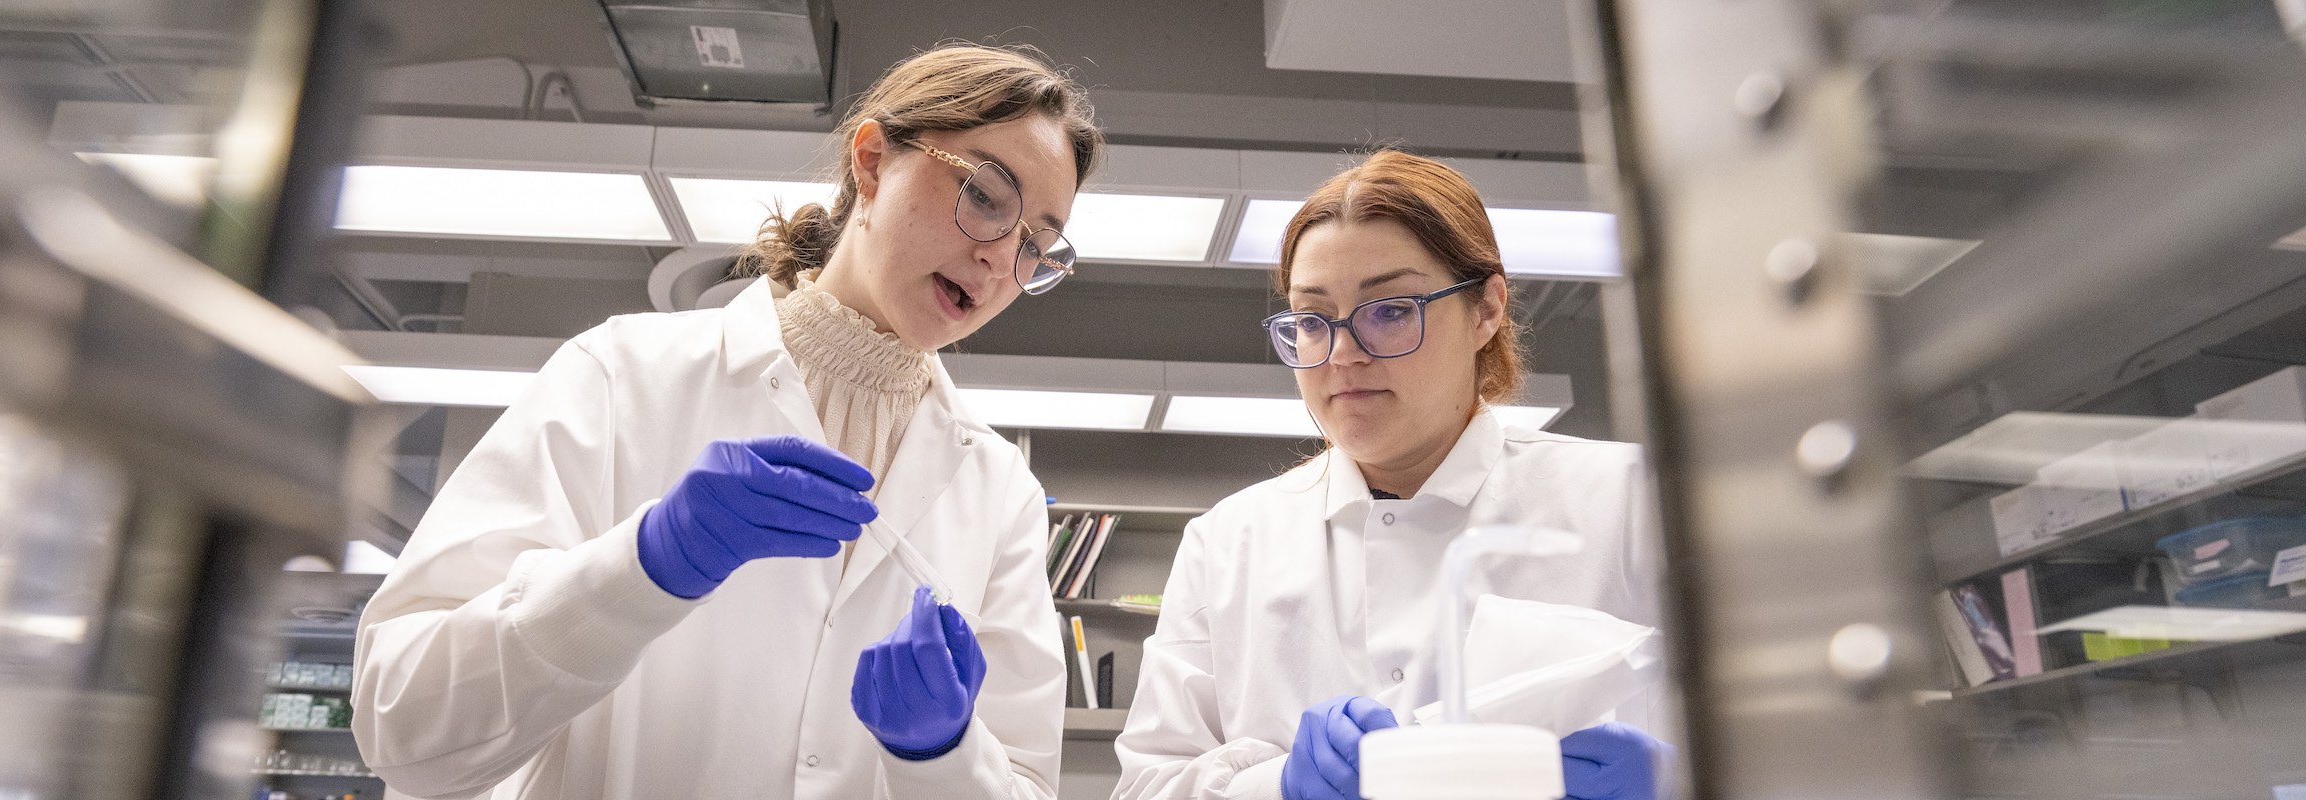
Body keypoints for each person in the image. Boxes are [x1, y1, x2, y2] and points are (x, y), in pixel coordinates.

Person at [351, 43, 1102, 800]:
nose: (1002, 257)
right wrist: (643, 566)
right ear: (871, 162)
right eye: (985, 195)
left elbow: (1024, 785)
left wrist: (944, 754)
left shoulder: (999, 491)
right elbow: (402, 727)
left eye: (1037, 245)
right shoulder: (622, 376)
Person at [1111, 151, 1671, 800]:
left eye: (1391, 309)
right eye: (1313, 321)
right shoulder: (1230, 542)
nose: (1344, 354)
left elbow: (1797, 743)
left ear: (1486, 310)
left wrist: (1682, 779)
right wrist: (1276, 785)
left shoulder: (1632, 501)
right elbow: (1147, 789)